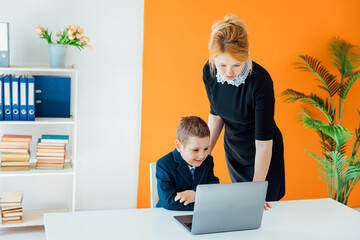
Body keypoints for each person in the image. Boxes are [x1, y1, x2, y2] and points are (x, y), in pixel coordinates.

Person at [203, 14, 285, 210]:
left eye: (237, 65)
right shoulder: (210, 71)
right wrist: (202, 157)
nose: (229, 72)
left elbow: (264, 142)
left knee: (262, 210)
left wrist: (256, 189)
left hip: (263, 153)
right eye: (222, 65)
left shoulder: (260, 80)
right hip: (235, 151)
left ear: (247, 54)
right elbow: (216, 117)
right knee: (241, 210)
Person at [156, 116, 220, 210]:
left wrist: (196, 194)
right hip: (168, 215)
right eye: (195, 150)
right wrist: (204, 201)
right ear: (179, 146)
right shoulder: (164, 164)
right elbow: (169, 202)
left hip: (197, 216)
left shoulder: (208, 161)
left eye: (206, 148)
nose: (202, 156)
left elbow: (215, 190)